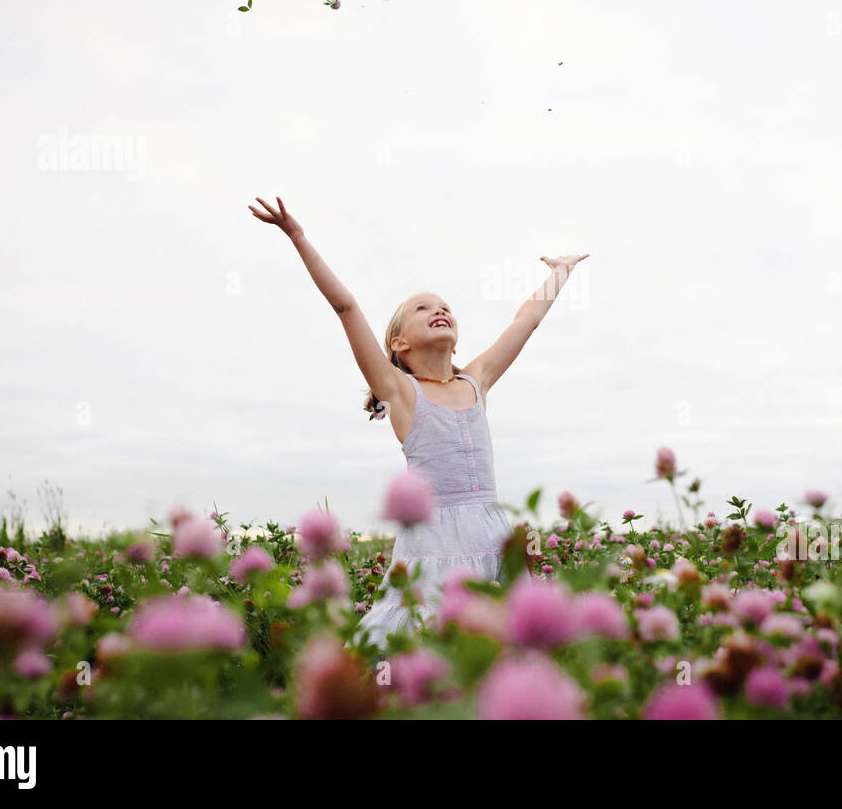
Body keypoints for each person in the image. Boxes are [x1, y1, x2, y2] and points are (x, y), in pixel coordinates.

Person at [247, 196, 587, 653]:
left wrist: (560, 270)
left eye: (444, 305)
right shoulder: (402, 393)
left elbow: (526, 321)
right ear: (399, 342)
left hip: (490, 533)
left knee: (500, 648)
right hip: (434, 543)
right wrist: (298, 237)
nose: (439, 309)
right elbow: (346, 307)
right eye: (423, 308)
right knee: (429, 645)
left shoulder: (477, 380)